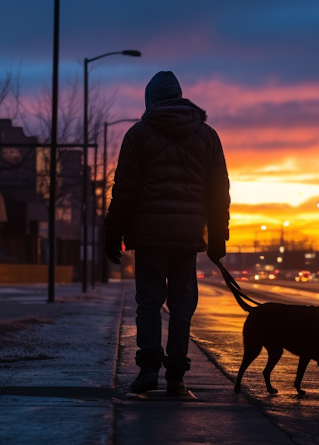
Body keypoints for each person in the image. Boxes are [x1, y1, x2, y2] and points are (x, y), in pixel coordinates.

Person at [104, 71, 230, 396]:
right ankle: (176, 376)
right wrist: (218, 238)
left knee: (148, 302)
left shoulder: (138, 135)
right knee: (182, 304)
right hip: (187, 235)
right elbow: (218, 193)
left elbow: (125, 191)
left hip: (149, 234)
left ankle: (148, 369)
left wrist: (111, 232)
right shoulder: (207, 136)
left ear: (151, 102)